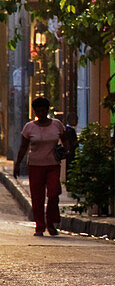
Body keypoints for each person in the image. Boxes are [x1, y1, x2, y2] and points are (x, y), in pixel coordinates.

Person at [13, 97, 68, 237]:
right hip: (35, 165)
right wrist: (17, 164)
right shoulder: (29, 127)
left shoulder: (56, 125)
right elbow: (23, 147)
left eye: (43, 110)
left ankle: (51, 222)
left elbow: (66, 139)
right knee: (37, 197)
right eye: (38, 111)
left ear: (47, 110)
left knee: (54, 192)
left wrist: (66, 151)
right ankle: (40, 225)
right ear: (35, 112)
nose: (41, 113)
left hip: (53, 165)